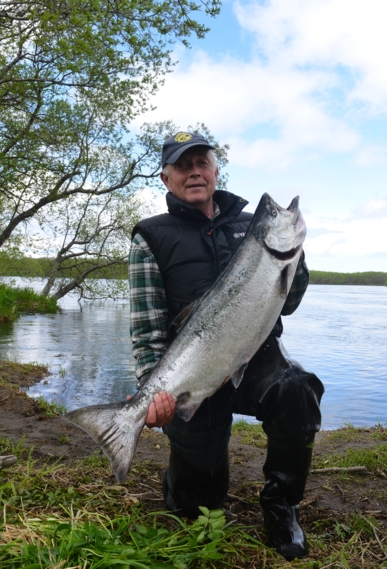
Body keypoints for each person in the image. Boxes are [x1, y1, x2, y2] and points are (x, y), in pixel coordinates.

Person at [127, 131, 324, 560]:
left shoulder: (250, 226)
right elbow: (146, 327)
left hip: (258, 360)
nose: (194, 172)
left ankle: (281, 506)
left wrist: (295, 260)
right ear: (166, 178)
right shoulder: (151, 237)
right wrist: (150, 386)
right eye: (183, 165)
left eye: (202, 163)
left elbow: (287, 305)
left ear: (216, 172)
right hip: (194, 368)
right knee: (197, 509)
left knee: (298, 389)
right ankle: (185, 478)